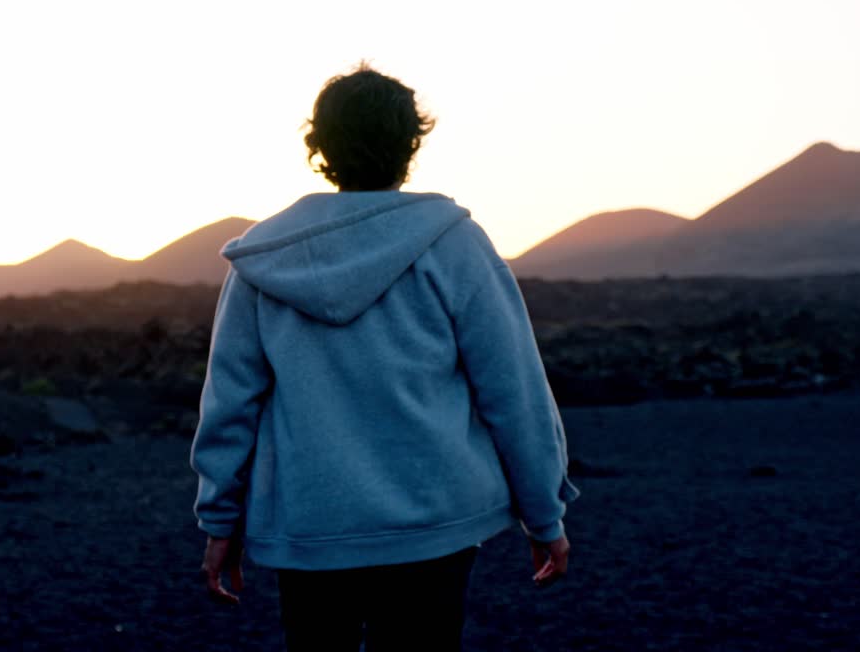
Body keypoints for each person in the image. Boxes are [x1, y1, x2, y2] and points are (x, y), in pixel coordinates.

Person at [190, 63, 579, 651]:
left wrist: (220, 522)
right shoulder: (453, 245)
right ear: (410, 144)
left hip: (311, 527)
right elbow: (513, 389)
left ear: (320, 146)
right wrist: (543, 512)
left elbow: (230, 405)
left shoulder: (265, 259)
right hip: (432, 525)